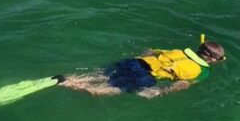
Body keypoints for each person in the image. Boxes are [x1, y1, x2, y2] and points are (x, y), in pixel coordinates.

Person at [56, 40, 226, 98]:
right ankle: (73, 85)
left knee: (102, 74)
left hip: (136, 62)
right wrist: (161, 92)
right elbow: (183, 84)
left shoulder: (179, 51)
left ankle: (71, 78)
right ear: (211, 59)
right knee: (111, 88)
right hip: (146, 76)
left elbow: (150, 51)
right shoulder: (203, 71)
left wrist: (140, 59)